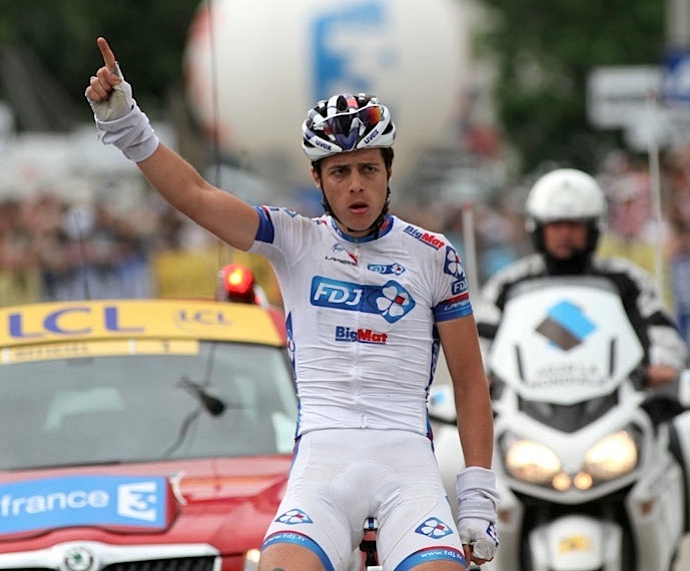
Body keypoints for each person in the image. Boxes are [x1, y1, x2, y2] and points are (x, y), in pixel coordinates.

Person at [85, 37, 497, 570]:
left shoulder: (434, 256)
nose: (356, 186)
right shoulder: (294, 239)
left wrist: (477, 498)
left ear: (389, 171)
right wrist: (128, 125)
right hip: (323, 465)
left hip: (408, 467)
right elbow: (198, 196)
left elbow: (469, 382)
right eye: (340, 172)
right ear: (318, 179)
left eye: (368, 169)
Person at [475, 168, 686, 388]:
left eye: (575, 225)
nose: (565, 233)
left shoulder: (627, 279)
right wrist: (482, 373)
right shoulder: (508, 283)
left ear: (594, 228)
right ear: (538, 228)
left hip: (615, 397)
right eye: (555, 225)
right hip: (525, 398)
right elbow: (481, 338)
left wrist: (662, 363)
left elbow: (659, 329)